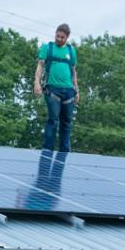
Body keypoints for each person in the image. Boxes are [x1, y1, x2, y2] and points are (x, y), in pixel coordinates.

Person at [33, 23, 79, 153]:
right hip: (52, 90)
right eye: (57, 36)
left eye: (62, 37)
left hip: (69, 91)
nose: (59, 39)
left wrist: (77, 91)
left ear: (67, 37)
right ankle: (47, 151)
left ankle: (64, 153)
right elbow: (40, 66)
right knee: (53, 120)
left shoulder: (71, 51)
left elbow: (74, 72)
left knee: (66, 123)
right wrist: (36, 82)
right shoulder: (48, 48)